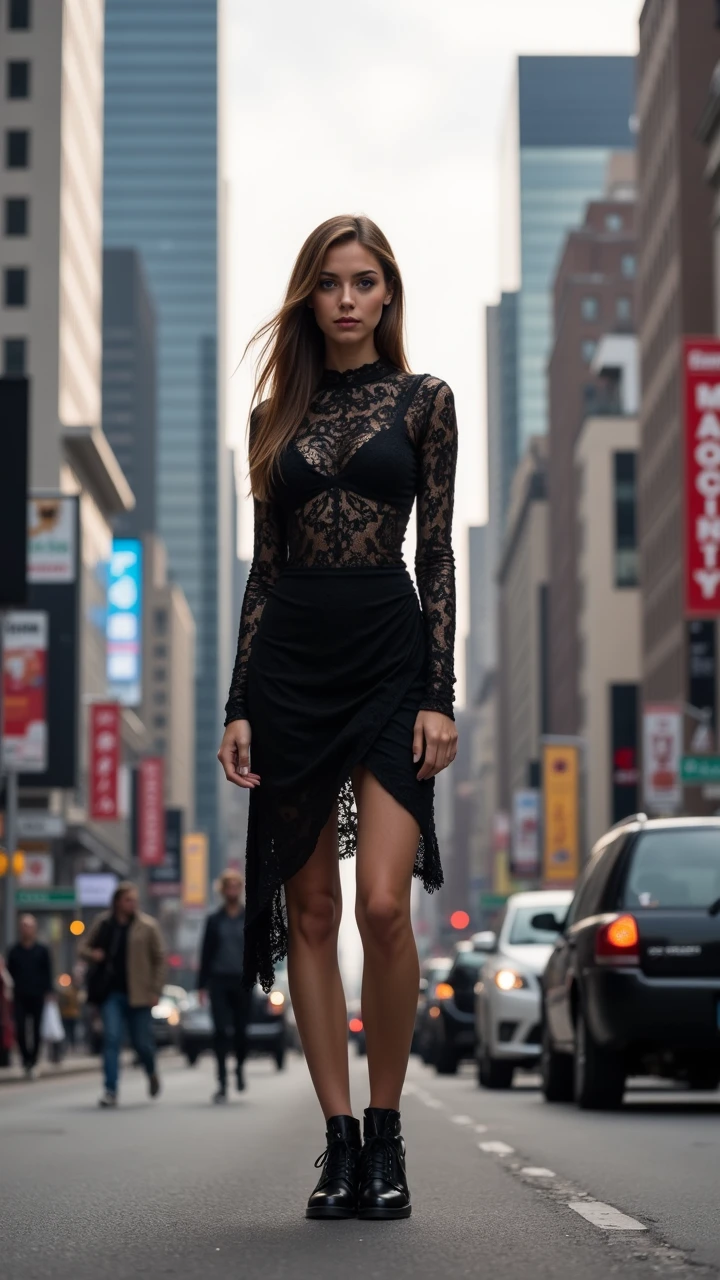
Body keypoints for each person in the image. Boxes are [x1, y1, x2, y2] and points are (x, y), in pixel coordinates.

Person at [217, 215, 458, 1220]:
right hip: (289, 672)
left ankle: (391, 1126)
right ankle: (340, 1140)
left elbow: (436, 552)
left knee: (385, 906)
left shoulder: (425, 401)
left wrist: (440, 692)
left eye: (365, 280)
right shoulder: (274, 414)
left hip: (389, 662)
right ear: (309, 297)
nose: (349, 297)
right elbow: (263, 570)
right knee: (311, 911)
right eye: (330, 282)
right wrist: (237, 702)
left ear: (388, 293)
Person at [80, 882, 165, 1108]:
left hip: (140, 995)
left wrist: (156, 990)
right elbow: (83, 948)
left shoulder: (148, 926)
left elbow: (160, 960)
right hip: (111, 994)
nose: (133, 904)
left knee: (142, 1043)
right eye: (128, 899)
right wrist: (93, 954)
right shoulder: (104, 923)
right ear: (117, 902)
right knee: (112, 1039)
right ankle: (110, 1090)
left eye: (135, 900)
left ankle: (151, 1071)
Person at [198, 868, 251, 1103]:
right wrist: (201, 986)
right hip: (218, 981)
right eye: (228, 886)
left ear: (240, 890)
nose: (232, 890)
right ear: (222, 891)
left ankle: (239, 1066)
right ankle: (221, 1083)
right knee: (220, 1031)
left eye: (236, 886)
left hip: (242, 981)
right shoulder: (214, 920)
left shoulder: (249, 918)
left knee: (241, 1031)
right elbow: (205, 954)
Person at [7, 915, 53, 1078]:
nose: (26, 929)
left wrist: (49, 992)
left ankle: (34, 1060)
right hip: (19, 995)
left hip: (37, 995)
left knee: (36, 1028)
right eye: (24, 926)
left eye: (29, 926)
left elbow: (48, 972)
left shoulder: (42, 950)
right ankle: (25, 1059)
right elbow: (9, 973)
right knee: (19, 1028)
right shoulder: (14, 951)